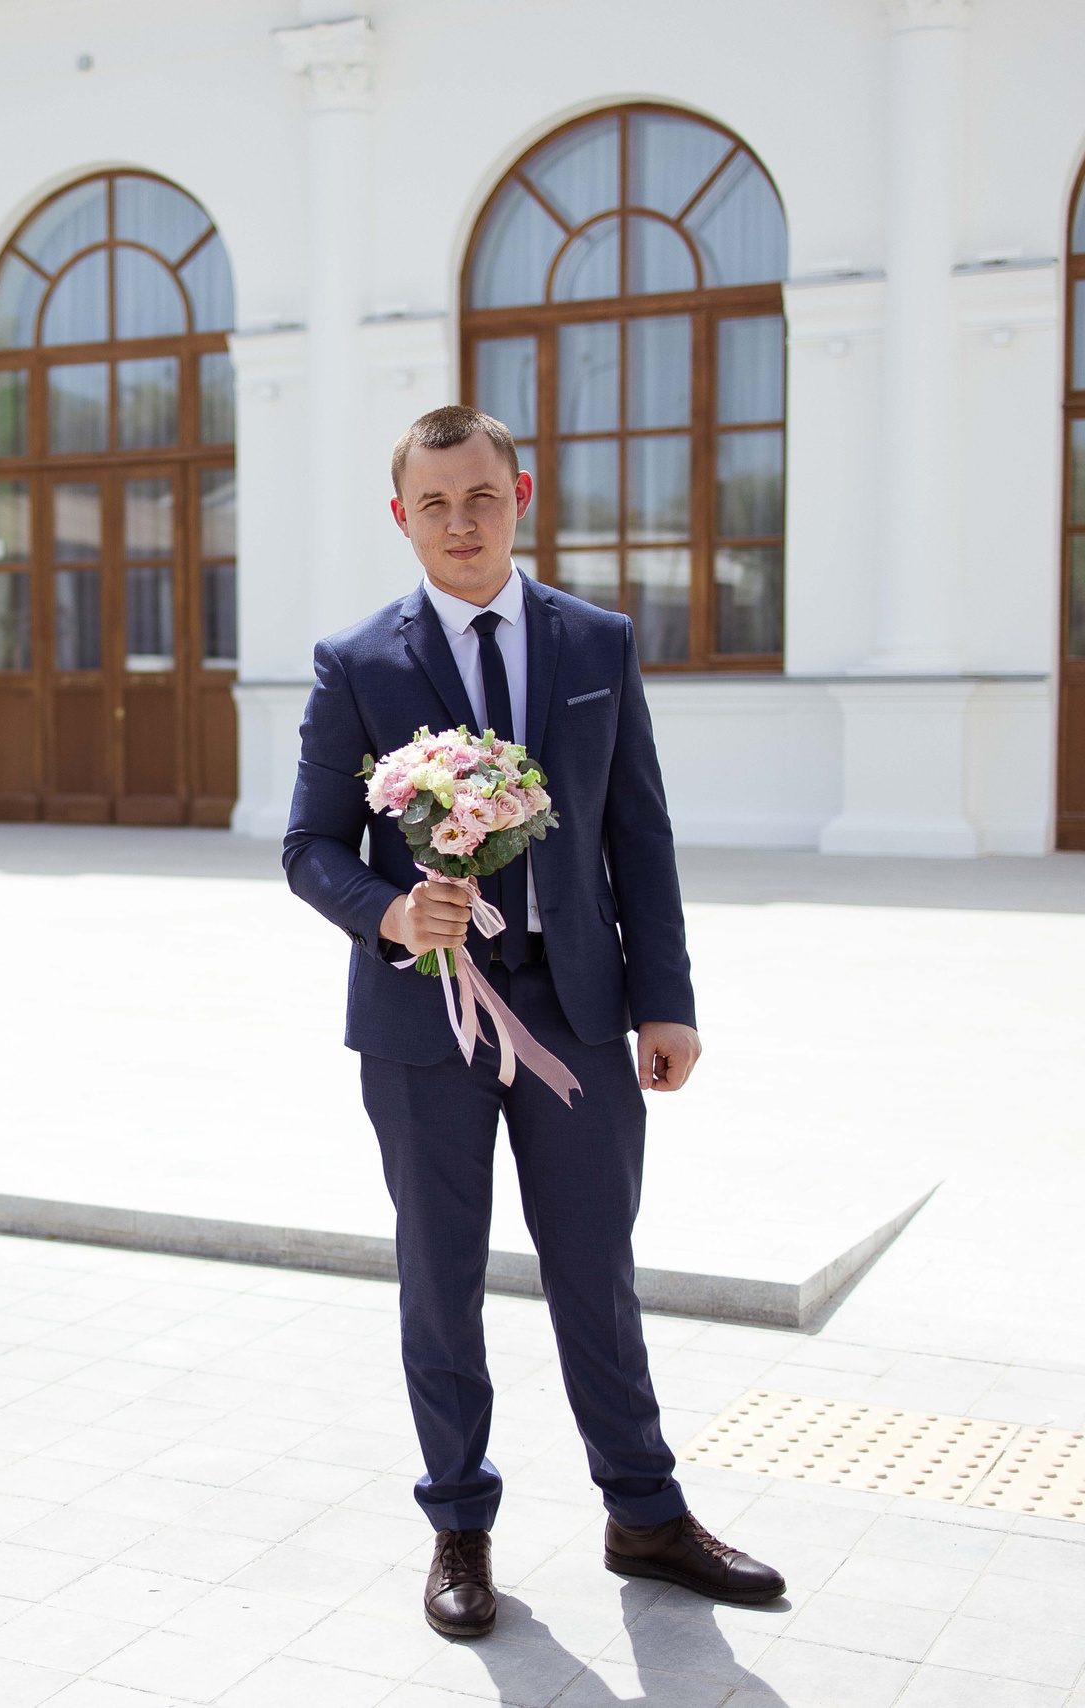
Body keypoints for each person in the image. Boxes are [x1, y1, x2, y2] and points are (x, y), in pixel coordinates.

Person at [283, 405, 784, 1638]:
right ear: (402, 517)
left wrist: (664, 1000)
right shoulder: (359, 663)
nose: (461, 523)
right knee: (440, 1277)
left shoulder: (595, 641)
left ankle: (645, 1513)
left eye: (482, 497)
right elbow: (305, 848)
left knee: (595, 1268)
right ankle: (459, 1525)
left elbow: (639, 835)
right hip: (421, 1026)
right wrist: (396, 912)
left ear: (522, 495)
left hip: (576, 1010)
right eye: (435, 504)